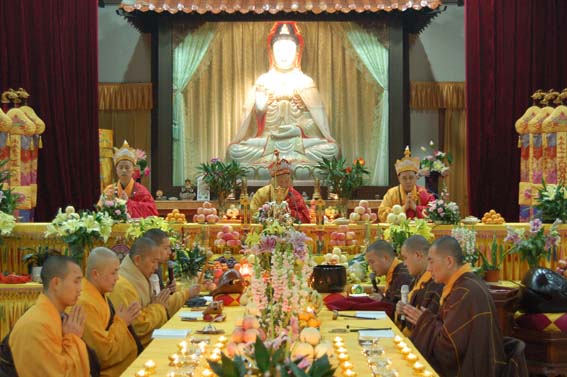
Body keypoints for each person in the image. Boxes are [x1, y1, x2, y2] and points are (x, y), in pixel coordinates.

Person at [228, 21, 339, 165]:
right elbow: (255, 123)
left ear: (297, 51)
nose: (284, 55)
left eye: (288, 50)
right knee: (236, 150)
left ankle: (278, 163)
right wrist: (262, 104)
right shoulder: (264, 81)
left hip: (298, 141)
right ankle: (290, 163)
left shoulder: (305, 82)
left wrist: (299, 127)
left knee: (331, 149)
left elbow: (317, 125)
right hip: (268, 140)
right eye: (279, 50)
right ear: (271, 52)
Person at [407, 236, 507, 377]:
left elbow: (449, 350)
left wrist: (425, 322)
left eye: (431, 261)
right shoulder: (462, 284)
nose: (428, 269)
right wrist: (426, 321)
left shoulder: (466, 291)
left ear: (449, 261)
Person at [9, 255, 90, 377]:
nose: (80, 289)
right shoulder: (35, 326)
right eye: (76, 281)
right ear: (56, 283)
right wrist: (73, 337)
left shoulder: (59, 317)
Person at [77, 247, 142, 377]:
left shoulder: (100, 294)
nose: (117, 278)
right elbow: (103, 353)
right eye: (113, 273)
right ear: (95, 274)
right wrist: (122, 322)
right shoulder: (85, 304)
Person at [108, 237, 170, 348]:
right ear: (137, 260)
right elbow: (138, 326)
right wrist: (158, 307)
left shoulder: (140, 276)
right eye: (153, 261)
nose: (156, 267)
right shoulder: (123, 285)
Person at [143, 228, 201, 316]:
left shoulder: (158, 268)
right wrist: (188, 293)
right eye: (166, 248)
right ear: (153, 248)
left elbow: (159, 301)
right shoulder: (145, 269)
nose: (169, 252)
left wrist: (166, 291)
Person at [395, 235, 443, 335]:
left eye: (405, 258)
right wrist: (402, 310)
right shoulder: (417, 279)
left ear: (418, 255)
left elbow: (431, 325)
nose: (404, 263)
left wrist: (420, 319)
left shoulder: (436, 284)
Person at [100, 140, 158, 219]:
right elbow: (100, 211)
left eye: (127, 167)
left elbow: (152, 212)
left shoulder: (141, 191)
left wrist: (128, 202)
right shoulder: (109, 190)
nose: (124, 170)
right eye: (121, 167)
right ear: (116, 170)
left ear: (133, 170)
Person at [250, 151, 311, 223]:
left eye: (287, 181)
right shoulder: (262, 193)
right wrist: (267, 214)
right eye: (280, 181)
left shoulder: (294, 195)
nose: (284, 184)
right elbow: (253, 214)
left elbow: (304, 218)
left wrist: (288, 212)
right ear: (273, 181)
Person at [378, 146, 435, 222]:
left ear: (416, 177)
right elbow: (382, 214)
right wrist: (404, 208)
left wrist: (415, 208)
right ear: (399, 179)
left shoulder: (423, 193)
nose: (408, 181)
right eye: (404, 178)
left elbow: (434, 213)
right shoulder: (391, 193)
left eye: (411, 178)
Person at [365, 240, 412, 304]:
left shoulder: (403, 275)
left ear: (385, 258)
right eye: (369, 263)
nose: (370, 267)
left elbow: (401, 308)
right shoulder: (394, 272)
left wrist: (382, 300)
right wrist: (382, 297)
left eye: (372, 262)